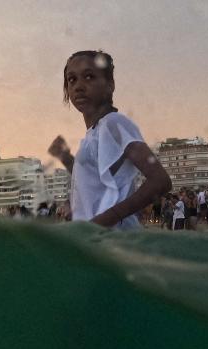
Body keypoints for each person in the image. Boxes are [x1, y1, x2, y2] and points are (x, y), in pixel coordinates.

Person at [48, 50, 171, 230]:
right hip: (98, 241)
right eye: (72, 79)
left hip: (115, 240)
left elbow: (160, 181)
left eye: (89, 77)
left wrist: (102, 222)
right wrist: (66, 158)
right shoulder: (95, 132)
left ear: (110, 85)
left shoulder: (113, 123)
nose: (78, 86)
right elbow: (94, 179)